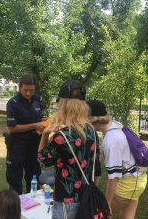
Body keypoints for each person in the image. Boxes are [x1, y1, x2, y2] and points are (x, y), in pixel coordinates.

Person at [38, 80, 101, 219]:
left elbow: (43, 160)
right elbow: (96, 167)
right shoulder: (91, 131)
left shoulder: (61, 137)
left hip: (67, 201)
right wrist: (92, 189)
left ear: (63, 104)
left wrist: (45, 134)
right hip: (88, 197)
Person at [87, 100, 147, 219]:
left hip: (128, 184)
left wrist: (107, 203)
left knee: (100, 215)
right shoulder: (115, 124)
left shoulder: (111, 140)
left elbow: (114, 177)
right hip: (139, 177)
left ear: (92, 120)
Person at [6, 73, 45, 194]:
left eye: (31, 90)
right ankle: (15, 204)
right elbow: (12, 128)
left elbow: (39, 119)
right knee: (15, 177)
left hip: (35, 144)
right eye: (25, 90)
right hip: (18, 145)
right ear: (19, 87)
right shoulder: (13, 103)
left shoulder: (39, 100)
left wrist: (44, 122)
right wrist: (34, 125)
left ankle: (33, 202)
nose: (28, 93)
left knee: (34, 175)